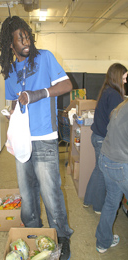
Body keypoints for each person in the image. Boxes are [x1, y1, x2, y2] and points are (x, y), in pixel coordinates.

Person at [0, 16, 73, 260]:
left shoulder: (45, 58)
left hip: (45, 136)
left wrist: (38, 94)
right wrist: (11, 113)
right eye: (19, 38)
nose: (25, 40)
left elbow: (66, 85)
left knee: (51, 192)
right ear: (11, 44)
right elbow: (13, 100)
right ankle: (34, 233)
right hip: (22, 140)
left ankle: (62, 237)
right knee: (27, 194)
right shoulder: (9, 71)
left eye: (26, 35)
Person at [83, 63, 127, 214]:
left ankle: (88, 200)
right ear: (117, 76)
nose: (126, 81)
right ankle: (98, 206)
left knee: (98, 170)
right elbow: (116, 123)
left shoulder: (107, 90)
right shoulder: (114, 95)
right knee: (102, 172)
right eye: (124, 77)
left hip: (97, 136)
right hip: (103, 139)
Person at [96, 94, 128, 253]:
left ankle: (103, 242)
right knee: (112, 201)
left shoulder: (121, 106)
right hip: (121, 164)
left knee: (111, 202)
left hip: (106, 159)